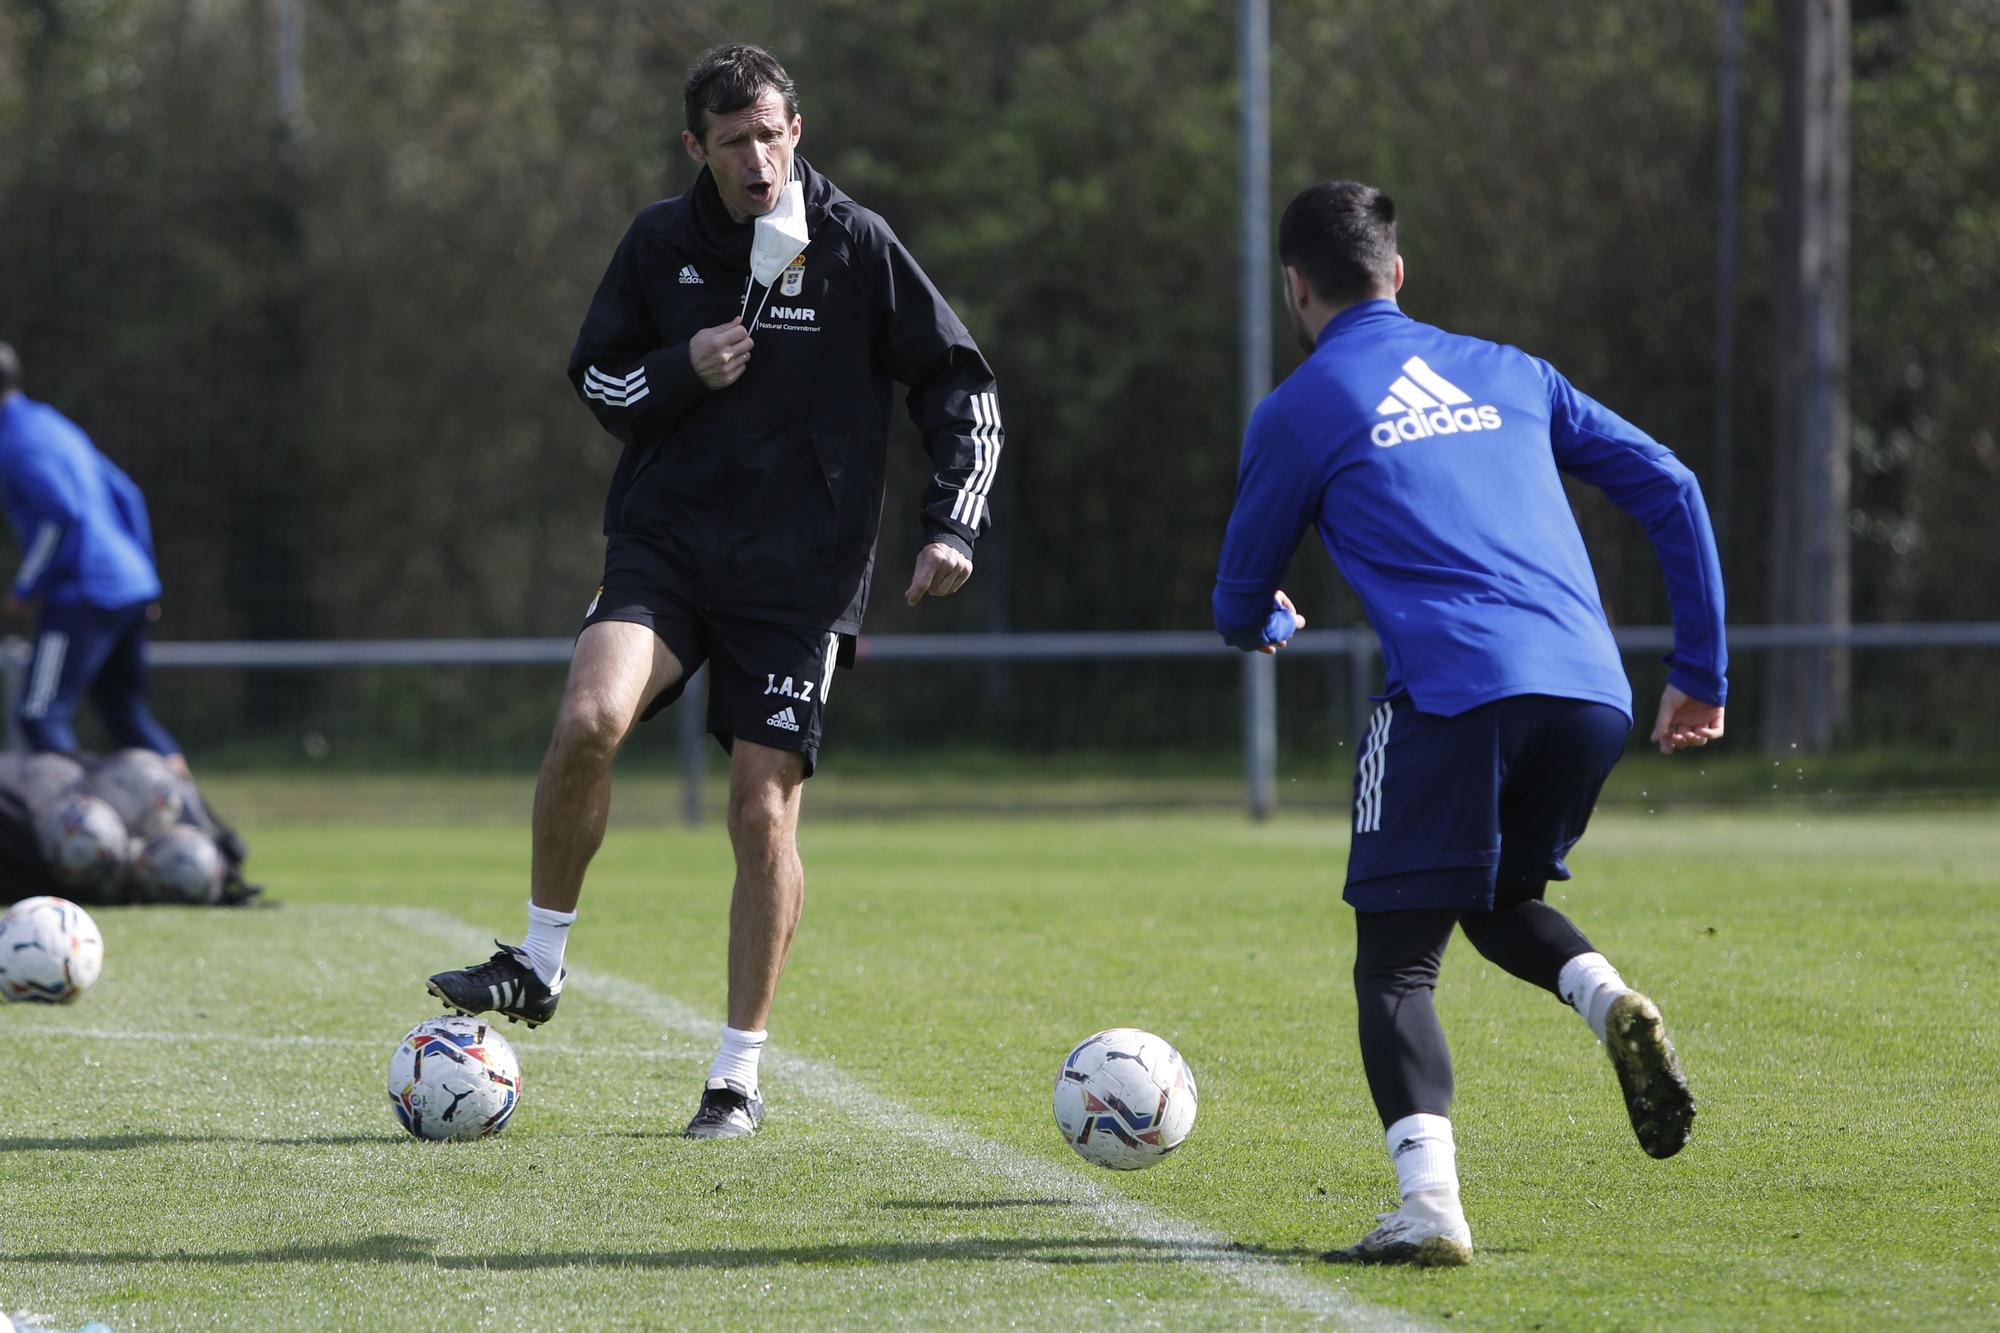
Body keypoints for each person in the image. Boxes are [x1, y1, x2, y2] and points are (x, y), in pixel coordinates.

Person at [426, 44, 1003, 1139]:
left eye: (770, 134)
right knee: (589, 717)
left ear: (798, 132)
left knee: (757, 810)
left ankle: (735, 1073)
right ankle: (539, 961)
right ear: (696, 147)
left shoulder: (854, 246)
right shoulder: (660, 242)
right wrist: (681, 366)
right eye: (731, 139)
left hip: (798, 577)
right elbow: (597, 379)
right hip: (669, 546)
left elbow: (961, 387)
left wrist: (951, 525)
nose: (755, 156)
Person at [1212, 181, 1726, 1266]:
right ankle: (1608, 999)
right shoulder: (1513, 372)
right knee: (1497, 900)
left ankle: (1429, 1206)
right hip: (1590, 691)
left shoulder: (1300, 407)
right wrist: (1700, 668)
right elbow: (1671, 484)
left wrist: (1265, 614)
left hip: (1450, 695)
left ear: (1293, 287)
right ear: (1397, 273)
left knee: (1396, 963)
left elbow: (1235, 597)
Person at [0, 343, 185, 772]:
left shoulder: (13, 442)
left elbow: (62, 515)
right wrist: (147, 573)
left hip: (84, 591)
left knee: (39, 715)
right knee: (125, 715)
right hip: (132, 583)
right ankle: (199, 826)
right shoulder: (54, 425)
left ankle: (87, 823)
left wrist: (25, 587)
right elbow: (128, 493)